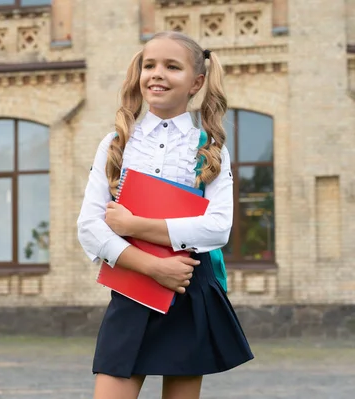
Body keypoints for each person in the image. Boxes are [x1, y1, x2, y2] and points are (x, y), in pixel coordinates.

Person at [76, 31, 254, 399]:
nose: (157, 74)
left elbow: (218, 227)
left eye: (172, 67)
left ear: (197, 82)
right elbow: (90, 227)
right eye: (149, 65)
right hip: (132, 286)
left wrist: (134, 226)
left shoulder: (211, 147)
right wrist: (151, 266)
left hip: (191, 287)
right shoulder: (117, 143)